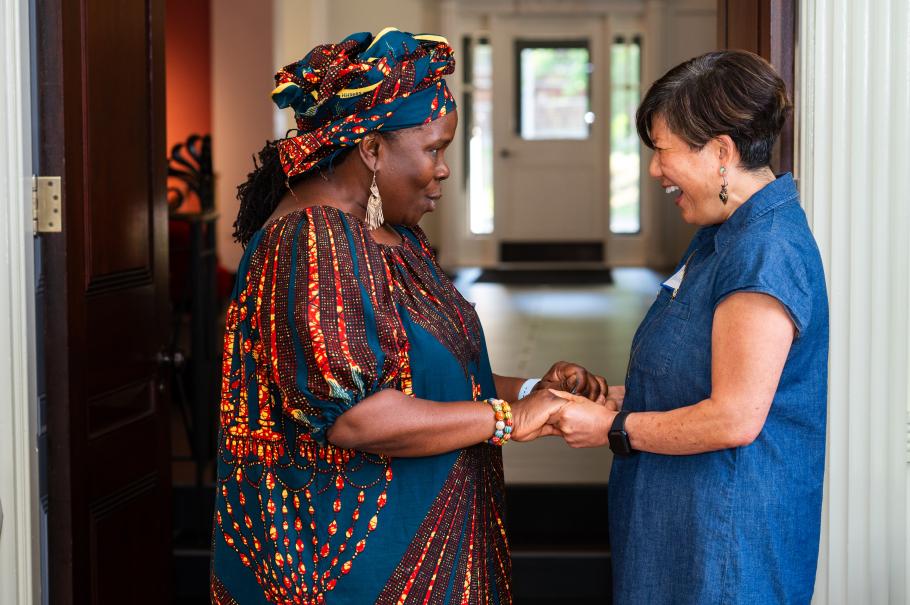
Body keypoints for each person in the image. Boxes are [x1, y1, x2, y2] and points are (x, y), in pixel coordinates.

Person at [210, 28, 608, 604]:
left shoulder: (394, 238)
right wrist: (508, 418)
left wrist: (533, 391)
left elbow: (427, 378)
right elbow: (358, 418)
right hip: (352, 567)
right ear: (371, 148)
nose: (443, 169)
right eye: (433, 149)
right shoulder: (309, 241)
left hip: (430, 542)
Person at [548, 50, 829, 604]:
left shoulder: (765, 251)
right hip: (684, 524)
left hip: (725, 541)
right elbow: (707, 376)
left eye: (662, 151)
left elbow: (734, 418)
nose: (655, 170)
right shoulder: (722, 236)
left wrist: (614, 429)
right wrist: (613, 400)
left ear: (721, 151)